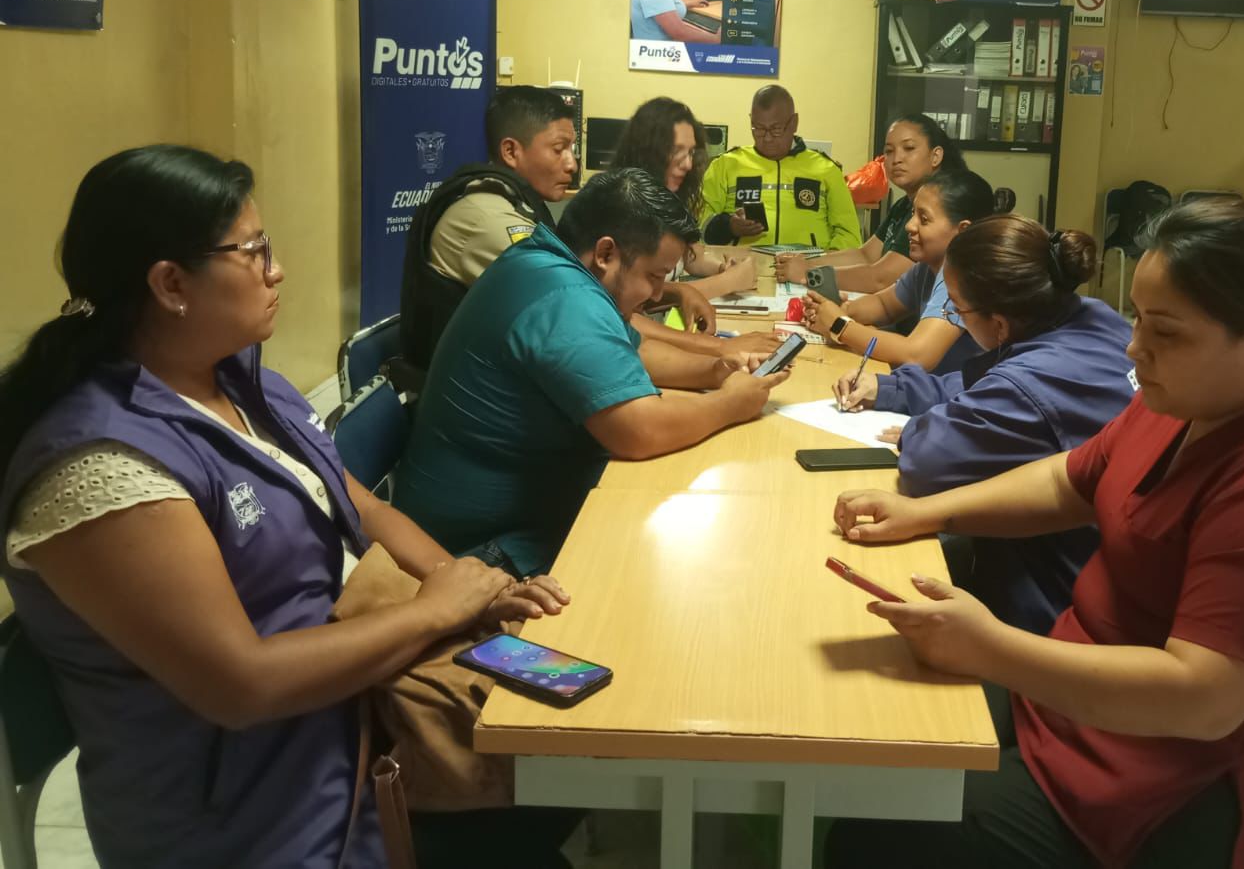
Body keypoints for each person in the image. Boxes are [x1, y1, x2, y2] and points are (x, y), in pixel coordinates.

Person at [0, 146, 573, 868]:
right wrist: (434, 613)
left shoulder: (244, 385)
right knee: (566, 795)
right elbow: (241, 685)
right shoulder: (101, 470)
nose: (277, 270)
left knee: (587, 742)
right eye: (254, 252)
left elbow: (361, 508)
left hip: (352, 711)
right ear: (171, 283)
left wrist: (469, 589)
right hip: (266, 810)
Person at [824, 197, 1244, 869]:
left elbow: (1202, 699)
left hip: (1158, 799)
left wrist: (990, 648)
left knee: (874, 826)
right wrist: (930, 513)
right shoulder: (1185, 404)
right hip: (1073, 712)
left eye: (1165, 331)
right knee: (871, 727)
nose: (1134, 348)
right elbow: (1071, 481)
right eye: (1138, 318)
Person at [392, 168, 788, 580]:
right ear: (605, 253)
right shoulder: (564, 296)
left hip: (502, 520)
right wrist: (730, 403)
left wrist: (717, 371)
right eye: (654, 276)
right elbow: (639, 431)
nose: (658, 294)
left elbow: (627, 352)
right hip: (478, 554)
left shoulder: (546, 264)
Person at [832, 217, 1136, 635]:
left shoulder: (1030, 383)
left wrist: (918, 426)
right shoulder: (1089, 316)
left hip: (1060, 604)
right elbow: (987, 383)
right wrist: (890, 389)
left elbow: (928, 463)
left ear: (999, 325)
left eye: (956, 308)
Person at [399, 85, 715, 369]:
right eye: (558, 149)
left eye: (572, 149)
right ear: (511, 152)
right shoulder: (487, 220)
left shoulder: (519, 203)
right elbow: (584, 310)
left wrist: (675, 292)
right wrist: (714, 350)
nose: (572, 164)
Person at [801, 169, 993, 374]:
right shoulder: (926, 267)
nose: (910, 226)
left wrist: (839, 325)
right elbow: (884, 305)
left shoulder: (962, 277)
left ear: (962, 231)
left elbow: (917, 355)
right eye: (912, 214)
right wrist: (838, 310)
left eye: (924, 219)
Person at [775, 113, 962, 294]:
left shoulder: (938, 208)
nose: (897, 159)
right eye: (889, 151)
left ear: (935, 156)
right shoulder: (903, 205)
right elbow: (865, 255)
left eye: (909, 148)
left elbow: (880, 279)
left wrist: (809, 273)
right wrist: (806, 262)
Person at [610, 96, 762, 301]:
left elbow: (691, 257)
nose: (688, 164)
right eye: (677, 151)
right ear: (647, 150)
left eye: (691, 152)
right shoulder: (622, 204)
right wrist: (728, 281)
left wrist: (722, 268)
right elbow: (641, 297)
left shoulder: (671, 196)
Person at [700, 84, 862, 251]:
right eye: (758, 129)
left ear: (794, 123)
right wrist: (728, 226)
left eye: (776, 129)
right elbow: (699, 227)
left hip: (808, 266)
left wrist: (822, 263)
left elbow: (849, 235)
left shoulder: (826, 169)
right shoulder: (725, 166)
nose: (767, 138)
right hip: (741, 265)